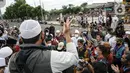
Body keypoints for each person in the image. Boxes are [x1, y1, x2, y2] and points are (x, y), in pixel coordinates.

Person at [9, 19, 79, 73]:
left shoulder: (13, 59)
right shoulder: (50, 57)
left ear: (21, 38)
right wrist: (67, 34)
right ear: (42, 35)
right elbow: (74, 58)